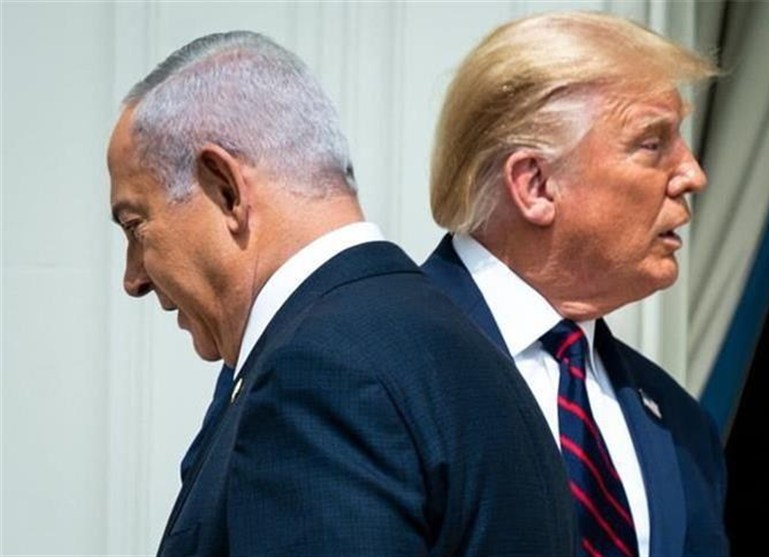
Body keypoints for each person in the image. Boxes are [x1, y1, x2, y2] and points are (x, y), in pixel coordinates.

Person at [107, 31, 575, 556]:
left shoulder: (316, 376)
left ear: (226, 188)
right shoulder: (471, 349)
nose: (133, 278)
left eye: (135, 225)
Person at [423, 11, 728, 557]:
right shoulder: (372, 367)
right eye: (652, 143)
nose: (692, 174)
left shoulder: (682, 424)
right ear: (536, 184)